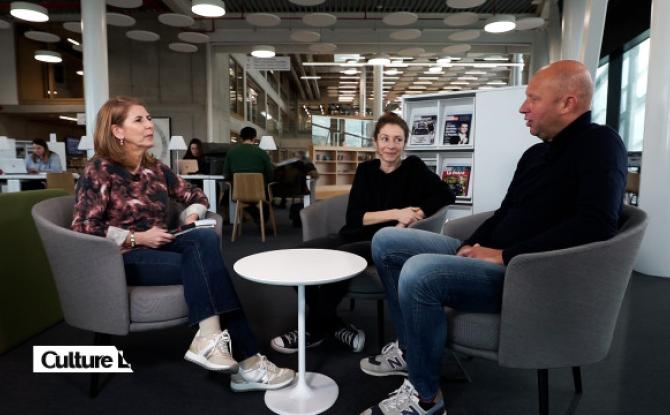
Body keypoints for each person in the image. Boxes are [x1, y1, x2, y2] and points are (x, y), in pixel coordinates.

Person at [359, 60, 628, 415]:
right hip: (494, 255)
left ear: (568, 103)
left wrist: (504, 255)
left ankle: (425, 396)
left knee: (418, 273)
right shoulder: (536, 153)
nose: (522, 107)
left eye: (533, 98)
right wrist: (473, 245)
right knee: (386, 243)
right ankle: (411, 350)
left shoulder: (601, 144)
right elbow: (506, 212)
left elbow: (596, 224)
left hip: (526, 272)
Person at [71, 97, 294, 392]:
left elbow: (196, 196)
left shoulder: (156, 168)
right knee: (211, 272)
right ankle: (247, 363)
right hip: (123, 257)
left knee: (203, 237)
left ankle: (210, 340)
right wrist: (136, 237)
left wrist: (192, 214)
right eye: (139, 120)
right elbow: (84, 227)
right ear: (117, 131)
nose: (150, 124)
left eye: (148, 118)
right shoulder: (99, 169)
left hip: (161, 245)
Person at [270, 112, 455, 355]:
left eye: (397, 140)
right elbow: (355, 217)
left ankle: (313, 331)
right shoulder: (366, 170)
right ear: (376, 141)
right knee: (297, 256)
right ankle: (331, 324)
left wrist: (415, 214)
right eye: (385, 138)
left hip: (383, 242)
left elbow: (446, 194)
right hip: (353, 234)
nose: (391, 145)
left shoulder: (414, 168)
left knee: (341, 258)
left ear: (405, 143)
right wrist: (397, 213)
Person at [223, 126, 274, 222]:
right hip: (259, 193)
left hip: (237, 194)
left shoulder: (231, 152)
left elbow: (226, 174)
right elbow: (270, 175)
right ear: (254, 138)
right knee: (265, 204)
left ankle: (253, 212)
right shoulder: (262, 153)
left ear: (241, 138)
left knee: (241, 198)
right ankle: (261, 221)